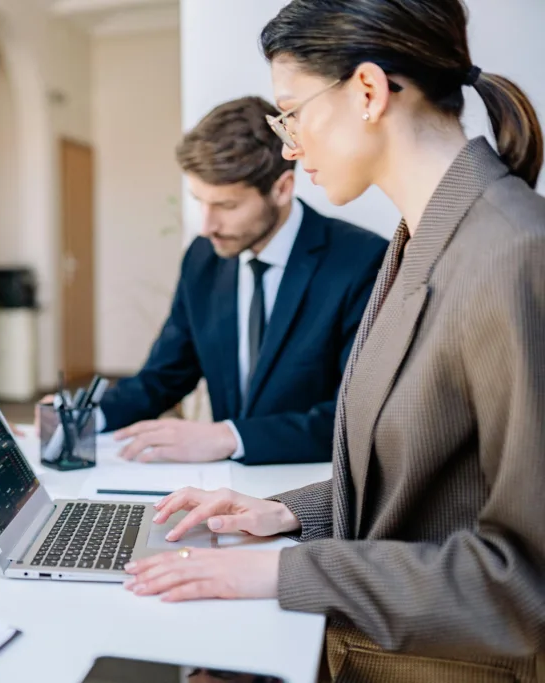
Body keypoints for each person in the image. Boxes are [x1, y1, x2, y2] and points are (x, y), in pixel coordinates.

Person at [123, 1, 545, 680]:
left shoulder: (515, 252)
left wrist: (282, 572)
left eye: (291, 112)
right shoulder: (425, 238)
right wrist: (281, 513)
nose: (288, 144)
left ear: (369, 92)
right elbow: (420, 488)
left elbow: (523, 579)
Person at [99, 96, 387, 465]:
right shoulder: (202, 259)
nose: (206, 226)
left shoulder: (361, 261)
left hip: (313, 489)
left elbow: (359, 418)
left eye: (227, 206)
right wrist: (86, 416)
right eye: (199, 201)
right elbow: (163, 377)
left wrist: (229, 437)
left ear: (282, 189)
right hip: (225, 490)